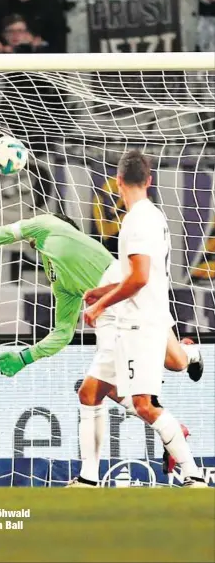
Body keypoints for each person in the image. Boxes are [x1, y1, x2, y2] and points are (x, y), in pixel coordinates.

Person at [0, 207, 204, 482]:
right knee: (160, 369)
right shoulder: (60, 280)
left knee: (116, 391)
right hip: (120, 312)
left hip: (123, 300)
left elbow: (6, 233)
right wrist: (25, 357)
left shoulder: (49, 224)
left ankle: (179, 460)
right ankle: (177, 402)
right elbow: (63, 333)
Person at [83, 150, 207, 488]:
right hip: (140, 317)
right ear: (149, 181)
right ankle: (88, 479)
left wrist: (100, 305)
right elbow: (141, 275)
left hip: (139, 323)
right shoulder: (151, 214)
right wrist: (105, 291)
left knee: (144, 404)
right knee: (90, 392)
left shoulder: (137, 221)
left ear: (118, 182)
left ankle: (194, 474)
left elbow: (138, 279)